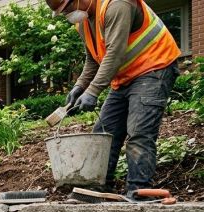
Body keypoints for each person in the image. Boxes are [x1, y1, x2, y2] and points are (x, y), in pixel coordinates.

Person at [47, 0, 180, 195]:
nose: (67, 14)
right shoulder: (84, 21)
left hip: (154, 67)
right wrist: (79, 86)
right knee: (103, 134)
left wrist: (92, 91)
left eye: (66, 9)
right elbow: (93, 58)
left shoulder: (116, 4)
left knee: (139, 132)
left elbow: (115, 53)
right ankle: (97, 189)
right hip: (125, 77)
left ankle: (139, 192)